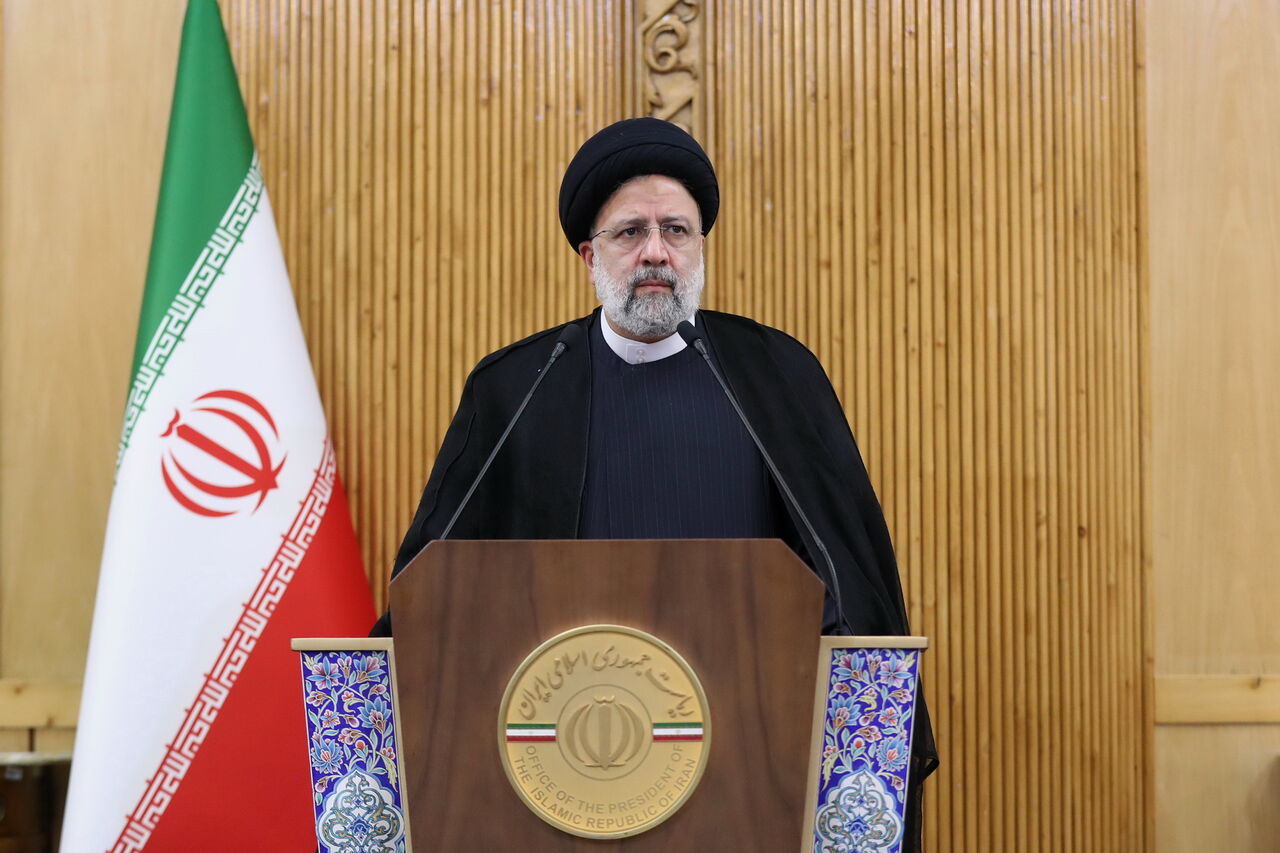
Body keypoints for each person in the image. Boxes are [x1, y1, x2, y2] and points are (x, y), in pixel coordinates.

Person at [373, 117, 937, 848]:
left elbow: (846, 578)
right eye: (630, 232)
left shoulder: (774, 376)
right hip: (556, 770)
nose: (655, 253)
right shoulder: (519, 386)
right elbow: (435, 588)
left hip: (754, 767)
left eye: (676, 231)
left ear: (699, 246)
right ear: (590, 255)